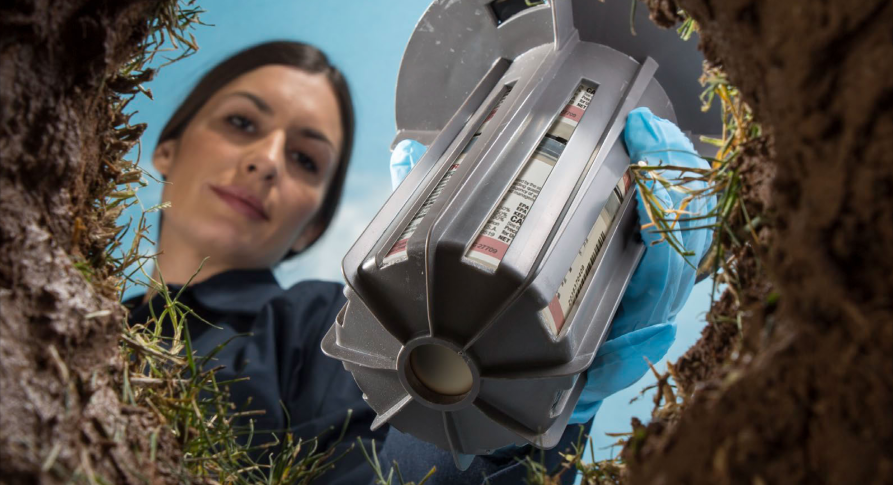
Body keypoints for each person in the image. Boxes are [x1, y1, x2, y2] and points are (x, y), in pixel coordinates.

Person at [127, 40, 714, 484]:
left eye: (306, 159)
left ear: (314, 223)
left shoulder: (338, 331)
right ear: (165, 148)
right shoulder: (80, 312)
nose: (267, 162)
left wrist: (513, 412)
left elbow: (405, 470)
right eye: (241, 123)